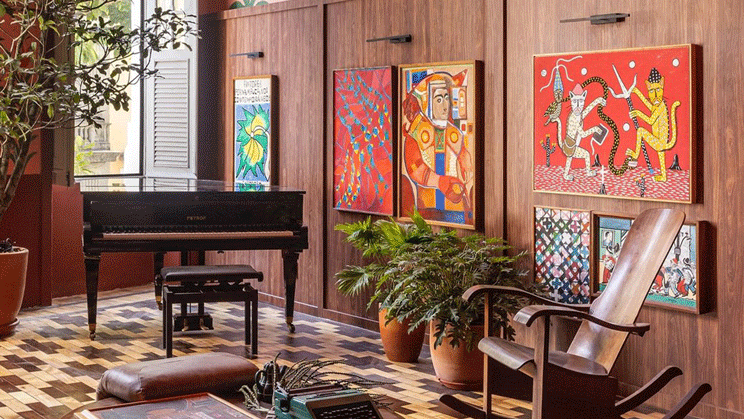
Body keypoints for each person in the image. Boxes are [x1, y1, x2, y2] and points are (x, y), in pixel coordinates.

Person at [401, 72, 473, 224]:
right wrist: (440, 181)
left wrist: (466, 163)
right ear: (427, 102)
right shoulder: (415, 133)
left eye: (447, 98)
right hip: (427, 206)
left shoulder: (455, 133)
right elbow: (414, 168)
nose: (445, 105)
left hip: (455, 206)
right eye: (439, 99)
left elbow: (466, 163)